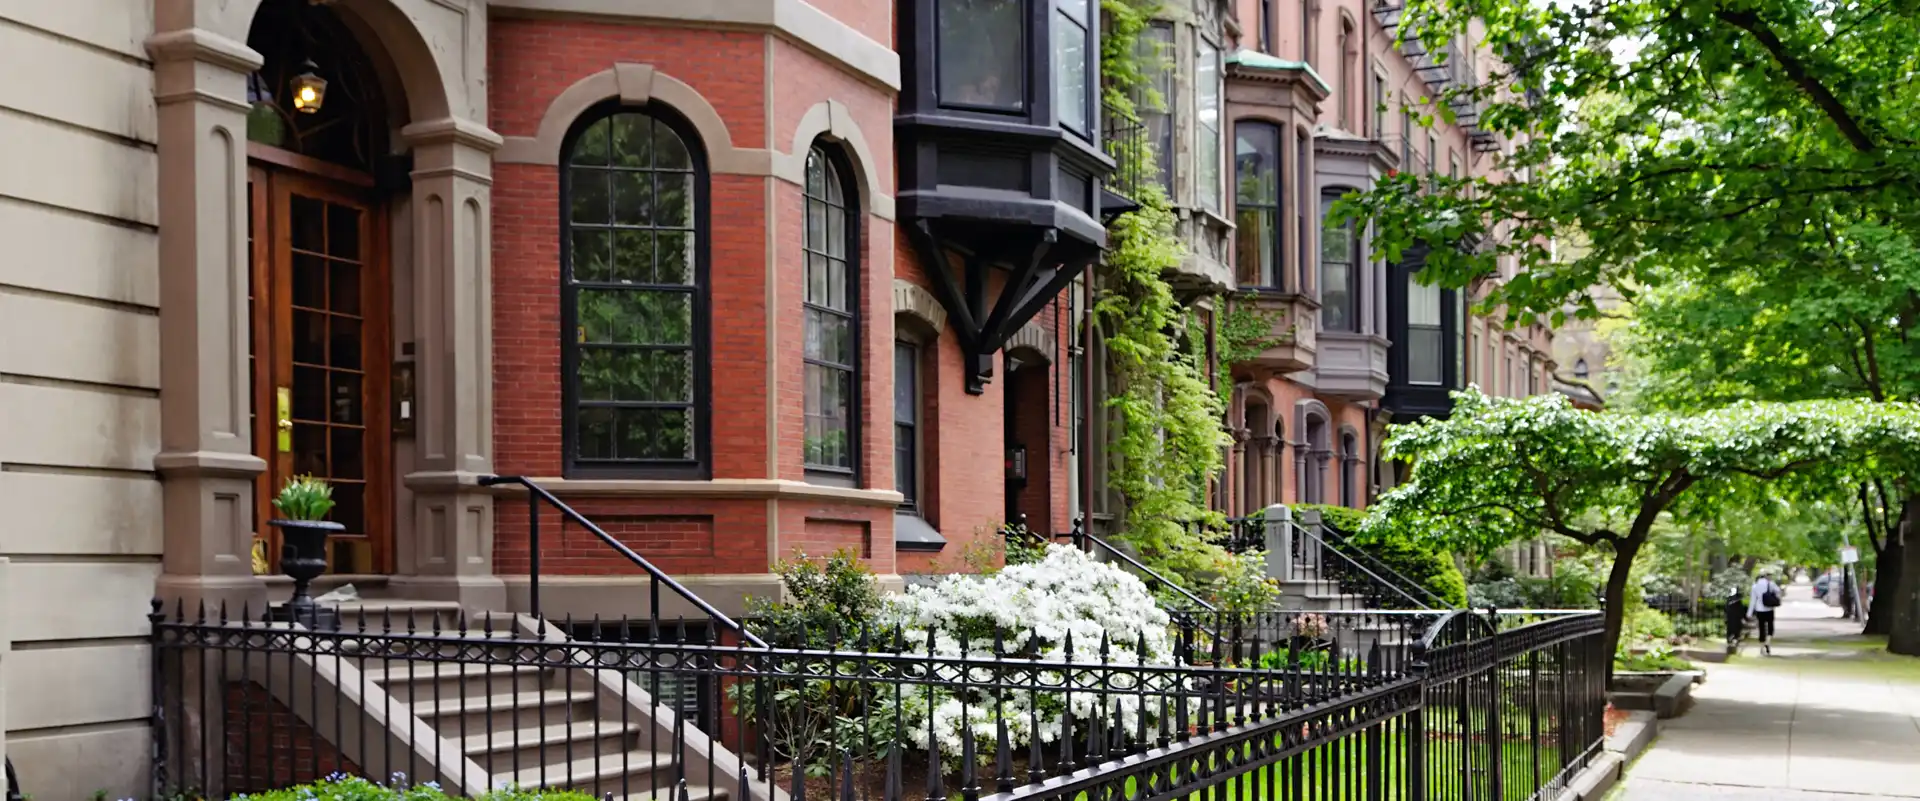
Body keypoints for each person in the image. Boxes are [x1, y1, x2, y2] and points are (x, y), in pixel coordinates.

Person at [1749, 572, 1784, 655]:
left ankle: (1761, 648)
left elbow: (1753, 601)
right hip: (1769, 609)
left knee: (1761, 628)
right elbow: (1778, 591)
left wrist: (1749, 613)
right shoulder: (1770, 584)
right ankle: (1767, 642)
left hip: (1759, 609)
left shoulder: (1755, 586)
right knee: (1770, 626)